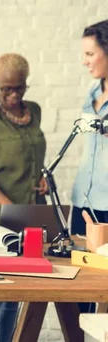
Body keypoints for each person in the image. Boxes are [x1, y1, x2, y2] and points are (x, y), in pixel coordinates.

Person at [0, 53, 47, 342]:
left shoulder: (34, 112)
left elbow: (35, 156)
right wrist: (7, 206)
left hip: (29, 213)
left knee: (14, 291)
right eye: (6, 89)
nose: (13, 95)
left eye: (19, 88)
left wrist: (42, 179)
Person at [71, 19, 108, 314]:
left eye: (90, 54)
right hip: (83, 198)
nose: (84, 61)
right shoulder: (92, 92)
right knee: (79, 281)